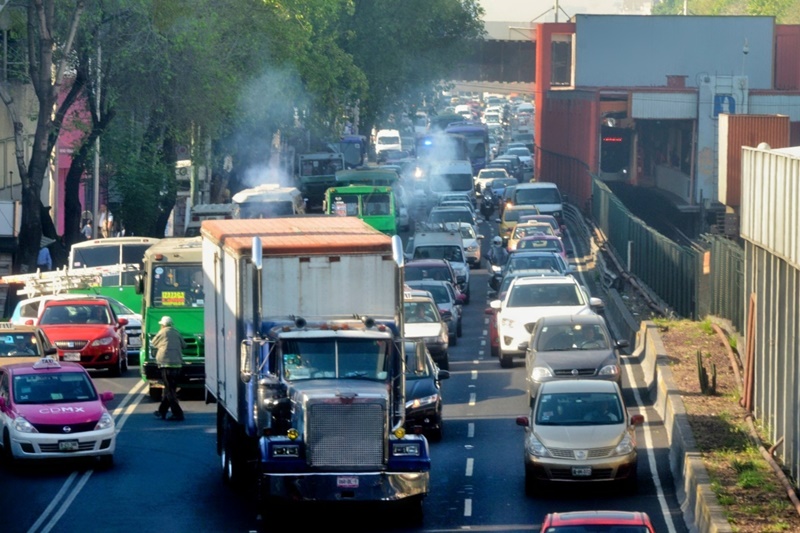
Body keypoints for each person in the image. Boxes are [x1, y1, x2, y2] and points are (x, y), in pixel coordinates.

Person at [151, 316, 186, 421]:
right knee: (169, 389)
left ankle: (178, 413)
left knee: (170, 391)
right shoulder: (176, 332)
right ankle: (162, 411)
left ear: (163, 325)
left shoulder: (162, 332)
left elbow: (154, 342)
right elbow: (184, 345)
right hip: (177, 364)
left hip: (166, 364)